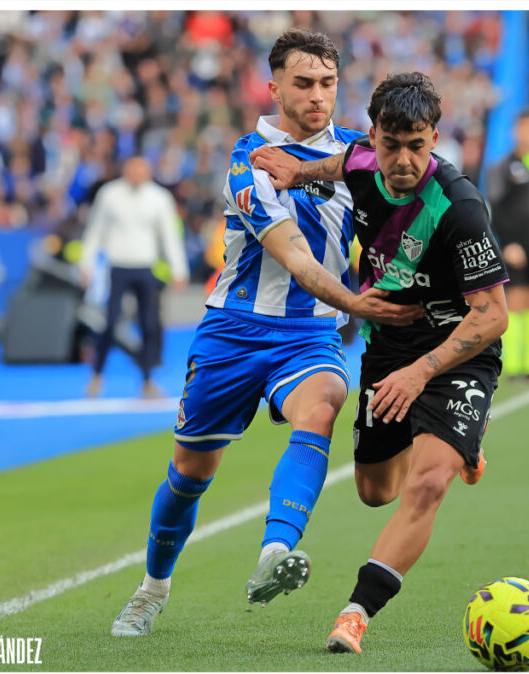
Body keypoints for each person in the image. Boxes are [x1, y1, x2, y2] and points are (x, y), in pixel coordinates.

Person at [110, 29, 420, 638]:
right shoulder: (248, 159)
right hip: (233, 331)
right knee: (189, 473)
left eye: (327, 83)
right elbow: (297, 258)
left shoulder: (360, 155)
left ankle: (274, 554)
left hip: (308, 335)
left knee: (326, 402)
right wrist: (364, 305)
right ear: (274, 87)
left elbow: (425, 190)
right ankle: (152, 588)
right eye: (303, 84)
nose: (317, 95)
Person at [251, 72, 509, 654]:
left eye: (417, 145)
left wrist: (422, 373)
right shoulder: (364, 160)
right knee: (374, 491)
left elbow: (493, 314)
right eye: (391, 144)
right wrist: (297, 171)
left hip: (457, 349)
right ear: (374, 136)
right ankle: (461, 441)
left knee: (429, 483)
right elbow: (340, 165)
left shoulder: (459, 207)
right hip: (389, 346)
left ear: (434, 138)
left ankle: (355, 614)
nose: (402, 159)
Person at [79, 156, 190, 398]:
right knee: (108, 323)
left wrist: (179, 270)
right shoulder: (109, 194)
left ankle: (148, 380)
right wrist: (86, 264)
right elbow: (95, 231)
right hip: (117, 267)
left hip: (145, 267)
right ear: (126, 171)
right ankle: (97, 375)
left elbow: (169, 236)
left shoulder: (159, 198)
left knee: (149, 325)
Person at [484, 108, 529, 380]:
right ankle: (512, 366)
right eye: (526, 129)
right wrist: (508, 242)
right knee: (515, 299)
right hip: (515, 245)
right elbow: (496, 208)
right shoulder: (504, 166)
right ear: (516, 131)